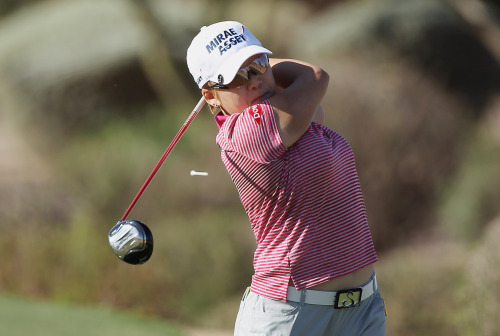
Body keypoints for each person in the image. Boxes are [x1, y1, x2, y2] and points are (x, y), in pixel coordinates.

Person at [186, 21, 386, 336]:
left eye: (258, 65)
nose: (253, 81)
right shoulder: (248, 131)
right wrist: (262, 66)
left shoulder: (285, 117)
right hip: (291, 316)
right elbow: (314, 75)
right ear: (210, 97)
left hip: (361, 310)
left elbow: (308, 90)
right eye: (236, 77)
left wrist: (252, 67)